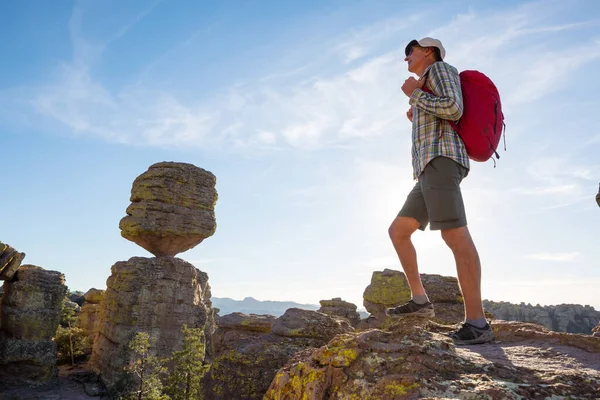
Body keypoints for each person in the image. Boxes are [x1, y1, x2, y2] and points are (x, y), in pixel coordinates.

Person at [384, 37, 494, 345]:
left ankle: (477, 323)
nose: (406, 58)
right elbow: (441, 111)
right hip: (427, 169)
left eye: (411, 51)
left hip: (441, 160)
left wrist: (415, 95)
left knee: (454, 235)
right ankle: (420, 301)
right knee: (399, 231)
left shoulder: (441, 70)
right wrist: (416, 109)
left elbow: (452, 108)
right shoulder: (428, 82)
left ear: (428, 51)